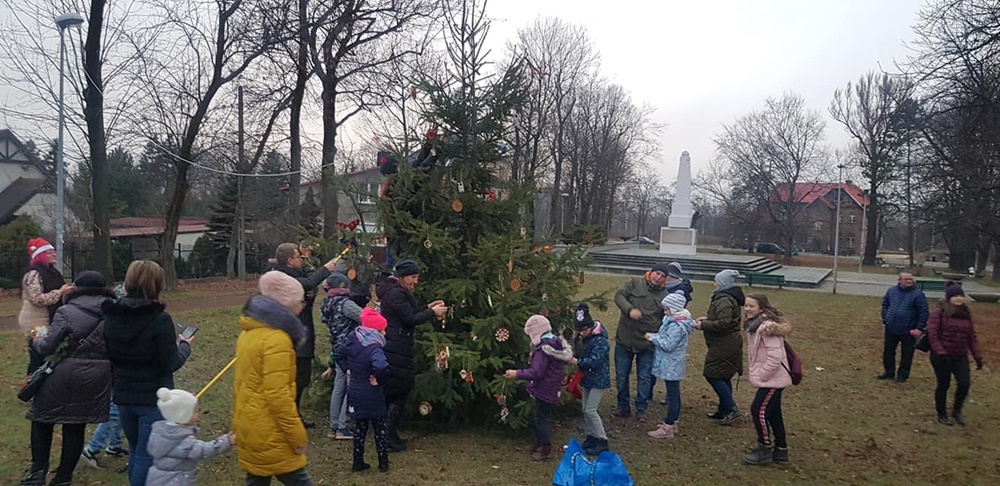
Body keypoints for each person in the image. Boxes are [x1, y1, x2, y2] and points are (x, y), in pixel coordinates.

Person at [21, 271, 114, 486]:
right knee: (75, 426)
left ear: (77, 288)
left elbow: (46, 347)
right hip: (98, 377)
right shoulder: (115, 313)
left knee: (42, 420)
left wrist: (37, 334)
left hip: (63, 372)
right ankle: (63, 478)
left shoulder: (66, 311)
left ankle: (37, 473)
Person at [104, 260, 192, 486]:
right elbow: (170, 363)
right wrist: (184, 346)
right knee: (145, 455)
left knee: (136, 450)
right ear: (157, 285)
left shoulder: (112, 316)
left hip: (123, 395)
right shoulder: (159, 320)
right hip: (153, 399)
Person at [233, 271, 313, 485]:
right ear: (286, 305)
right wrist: (297, 436)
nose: (303, 305)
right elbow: (278, 396)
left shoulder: (249, 332)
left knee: (257, 476)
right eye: (300, 300)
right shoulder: (277, 340)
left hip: (250, 426)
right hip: (271, 432)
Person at [376, 259, 447, 452]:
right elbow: (409, 319)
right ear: (402, 277)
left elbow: (409, 313)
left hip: (397, 345)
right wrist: (432, 313)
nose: (415, 281)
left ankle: (388, 434)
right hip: (396, 347)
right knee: (399, 391)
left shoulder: (395, 292)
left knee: (396, 392)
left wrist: (427, 308)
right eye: (413, 277)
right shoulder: (396, 294)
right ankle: (387, 436)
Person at [270, 243, 339, 427]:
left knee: (301, 376)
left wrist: (308, 264)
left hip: (302, 330)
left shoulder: (294, 273)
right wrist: (325, 270)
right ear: (290, 260)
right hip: (293, 335)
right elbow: (309, 283)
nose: (300, 260)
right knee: (296, 377)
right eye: (298, 257)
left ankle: (293, 413)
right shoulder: (282, 276)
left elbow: (309, 285)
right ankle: (287, 415)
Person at [504, 315, 570, 462]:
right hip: (552, 387)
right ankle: (539, 443)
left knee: (541, 419)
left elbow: (536, 372)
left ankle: (545, 448)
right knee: (540, 417)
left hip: (545, 388)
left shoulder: (543, 350)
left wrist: (517, 373)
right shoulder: (556, 343)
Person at [611, 262, 671, 423]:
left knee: (644, 377)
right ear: (651, 272)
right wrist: (630, 310)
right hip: (625, 339)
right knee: (621, 376)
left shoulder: (666, 296)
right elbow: (619, 296)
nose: (658, 277)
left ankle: (641, 409)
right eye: (657, 273)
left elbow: (666, 319)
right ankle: (622, 406)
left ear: (665, 279)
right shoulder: (634, 283)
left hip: (647, 343)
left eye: (662, 276)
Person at [336, 307, 391, 473]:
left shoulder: (353, 339)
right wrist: (378, 379)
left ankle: (357, 461)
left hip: (355, 390)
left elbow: (338, 354)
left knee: (360, 428)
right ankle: (383, 463)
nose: (385, 333)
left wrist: (348, 369)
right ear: (376, 330)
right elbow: (381, 366)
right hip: (372, 393)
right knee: (379, 428)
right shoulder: (374, 347)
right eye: (384, 329)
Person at [741, 294, 792, 465]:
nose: (747, 309)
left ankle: (764, 449)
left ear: (761, 308)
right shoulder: (754, 326)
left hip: (772, 379)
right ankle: (781, 450)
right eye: (746, 306)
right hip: (771, 379)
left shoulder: (767, 328)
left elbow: (775, 357)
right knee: (774, 413)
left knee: (758, 410)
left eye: (751, 306)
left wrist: (762, 375)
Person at [146, 388, 235, 485]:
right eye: (195, 412)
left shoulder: (159, 432)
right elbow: (204, 450)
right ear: (183, 416)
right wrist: (227, 441)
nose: (198, 415)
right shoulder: (183, 441)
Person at [926, 282, 984, 426]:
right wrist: (940, 352)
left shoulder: (965, 314)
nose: (958, 299)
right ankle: (942, 414)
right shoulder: (938, 313)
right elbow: (932, 335)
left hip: (960, 355)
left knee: (964, 383)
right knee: (943, 384)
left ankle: (957, 411)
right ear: (948, 298)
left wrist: (977, 356)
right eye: (955, 296)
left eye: (960, 296)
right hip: (942, 356)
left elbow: (971, 337)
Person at [695, 269, 745, 425]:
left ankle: (731, 409)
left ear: (722, 283)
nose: (714, 284)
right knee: (723, 375)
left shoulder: (724, 299)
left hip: (725, 343)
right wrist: (708, 318)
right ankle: (724, 409)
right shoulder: (726, 297)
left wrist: (703, 325)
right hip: (725, 342)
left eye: (716, 281)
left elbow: (724, 323)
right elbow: (724, 318)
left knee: (713, 374)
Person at [320, 272, 366, 440]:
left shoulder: (327, 303)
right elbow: (364, 317)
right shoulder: (345, 304)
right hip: (351, 350)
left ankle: (333, 426)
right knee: (351, 386)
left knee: (339, 387)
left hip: (337, 348)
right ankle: (343, 426)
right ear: (341, 287)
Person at [646, 291, 696, 440]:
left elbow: (668, 344)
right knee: (673, 393)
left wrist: (652, 337)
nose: (665, 312)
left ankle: (668, 426)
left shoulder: (677, 326)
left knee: (673, 395)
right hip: (670, 363)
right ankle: (672, 423)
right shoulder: (671, 320)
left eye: (667, 309)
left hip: (672, 364)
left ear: (674, 309)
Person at [18, 237, 72, 374]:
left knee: (50, 354)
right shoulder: (33, 274)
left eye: (54, 251)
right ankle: (31, 386)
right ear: (40, 255)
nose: (54, 254)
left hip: (50, 319)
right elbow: (37, 299)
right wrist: (59, 292)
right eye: (49, 252)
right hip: (35, 323)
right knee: (39, 355)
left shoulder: (53, 272)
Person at [564, 304, 610, 455]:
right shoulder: (583, 338)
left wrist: (576, 362)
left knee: (591, 410)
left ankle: (602, 440)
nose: (581, 333)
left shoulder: (601, 341)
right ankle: (592, 436)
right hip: (587, 378)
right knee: (585, 409)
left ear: (590, 327)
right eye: (579, 330)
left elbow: (595, 361)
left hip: (598, 379)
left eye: (583, 330)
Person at [878, 272, 929, 383]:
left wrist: (919, 328)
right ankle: (889, 372)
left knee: (907, 354)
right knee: (888, 351)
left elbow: (924, 313)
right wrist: (885, 318)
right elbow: (885, 304)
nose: (909, 281)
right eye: (906, 279)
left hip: (909, 330)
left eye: (911, 279)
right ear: (899, 280)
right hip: (891, 327)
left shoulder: (918, 295)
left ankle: (902, 376)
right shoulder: (891, 291)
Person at [656, 262, 693, 405]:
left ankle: (672, 411)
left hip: (673, 357)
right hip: (672, 355)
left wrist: (653, 337)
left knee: (672, 381)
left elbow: (669, 344)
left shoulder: (678, 293)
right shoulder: (670, 290)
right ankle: (671, 398)